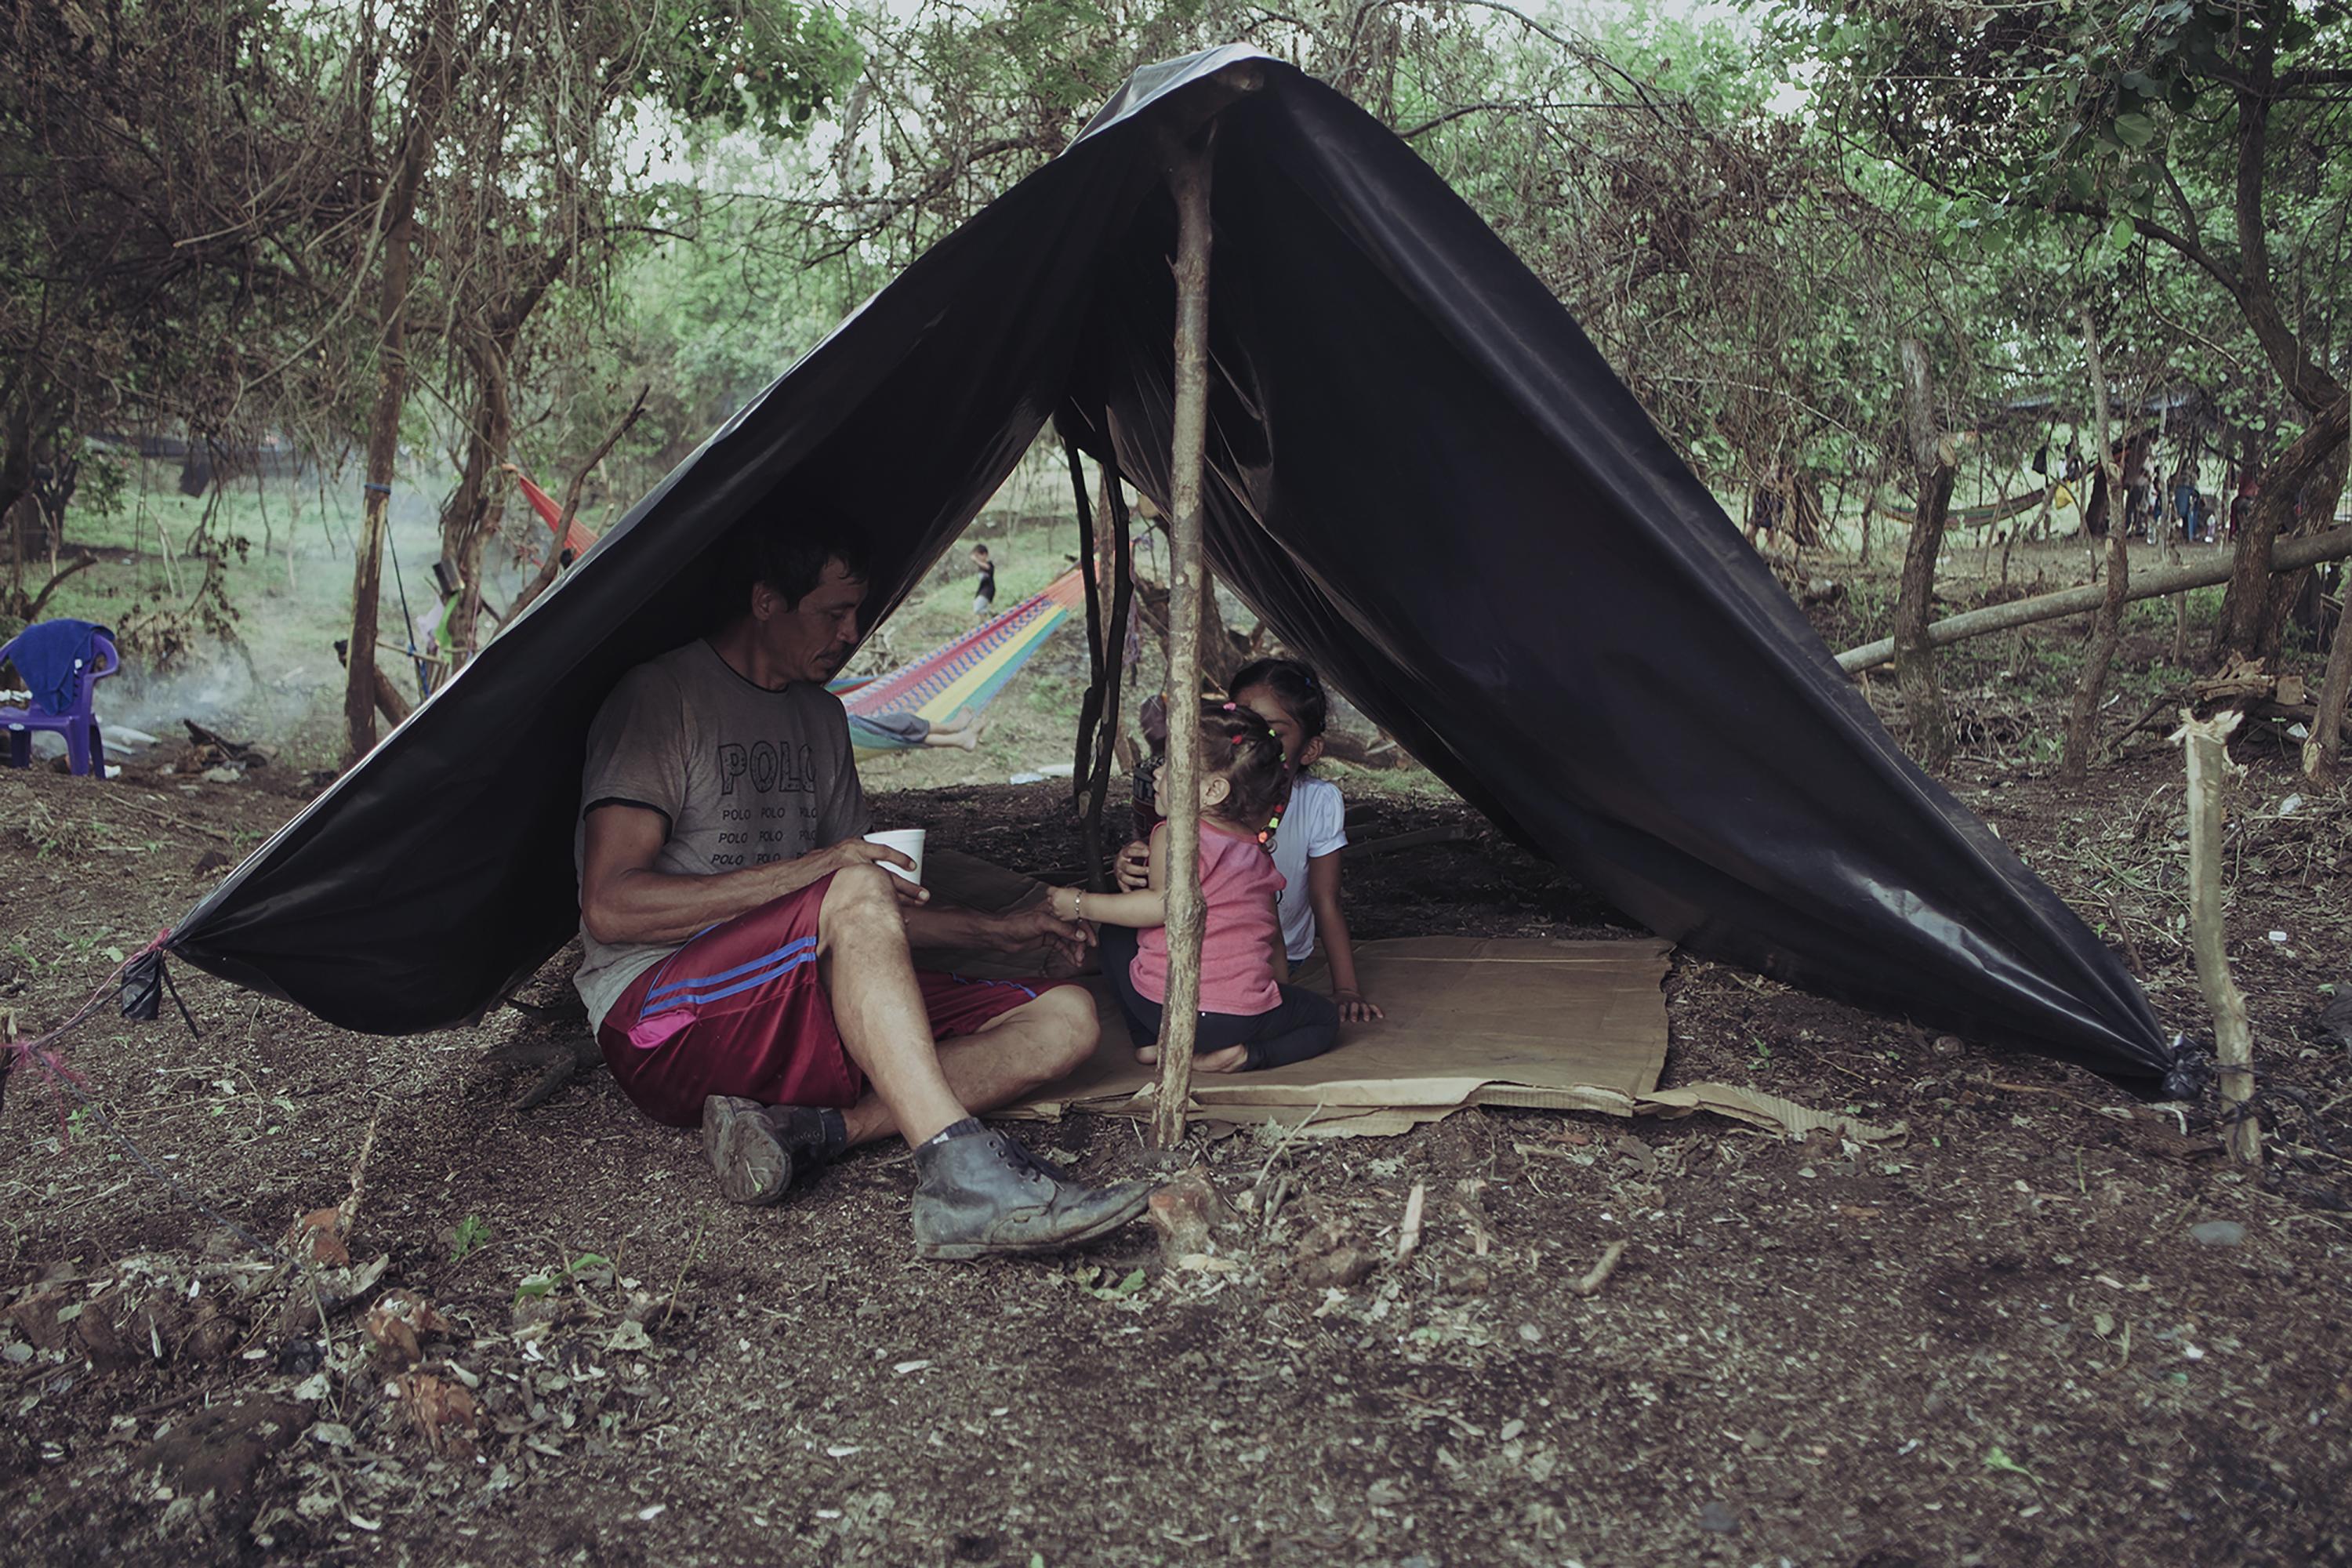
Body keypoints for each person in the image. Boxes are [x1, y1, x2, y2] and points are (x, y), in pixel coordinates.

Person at [573, 519, 1151, 1259]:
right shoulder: (663, 699)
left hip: (796, 989)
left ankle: (812, 1131)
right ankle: (960, 1173)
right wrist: (820, 870)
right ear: (765, 602)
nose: (851, 633)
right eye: (832, 613)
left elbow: (869, 911)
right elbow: (610, 906)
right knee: (848, 885)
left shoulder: (821, 716)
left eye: (858, 613)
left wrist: (1003, 933)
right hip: (659, 1020)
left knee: (1068, 1019)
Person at [1058, 701, 1341, 1073]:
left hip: (1163, 1009)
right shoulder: (1257, 852)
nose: (1158, 772)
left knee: (1116, 932)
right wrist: (1275, 996)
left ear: (1213, 791)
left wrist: (1079, 903)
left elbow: (1161, 906)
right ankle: (1244, 1055)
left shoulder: (1175, 835)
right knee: (1325, 1020)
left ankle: (1148, 1041)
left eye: (1171, 765)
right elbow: (1272, 937)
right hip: (1237, 1020)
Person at [1118, 660, 1382, 1023]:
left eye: (1273, 732)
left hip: (1276, 956)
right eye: (1245, 726)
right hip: (1199, 953)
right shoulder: (1203, 800)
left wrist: (1347, 989)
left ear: (1310, 749)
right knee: (1116, 936)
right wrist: (1129, 866)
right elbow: (1163, 892)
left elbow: (1326, 899)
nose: (1258, 744)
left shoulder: (1318, 802)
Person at [848, 710, 982, 750]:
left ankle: (956, 736)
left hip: (843, 724)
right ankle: (952, 729)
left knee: (898, 728)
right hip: (842, 727)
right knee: (903, 722)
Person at [970, 543, 996, 621]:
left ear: (984, 554)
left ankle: (992, 612)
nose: (977, 559)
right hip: (982, 590)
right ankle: (985, 623)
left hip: (988, 590)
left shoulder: (989, 564)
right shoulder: (981, 567)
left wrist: (976, 560)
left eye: (978, 556)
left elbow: (987, 567)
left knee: (977, 607)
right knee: (978, 607)